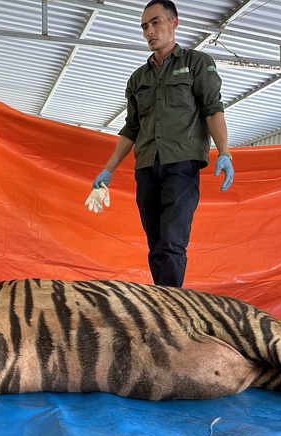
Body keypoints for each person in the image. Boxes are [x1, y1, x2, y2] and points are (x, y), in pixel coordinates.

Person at [89, 0, 234, 288]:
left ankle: (168, 310)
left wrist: (224, 152)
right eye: (144, 26)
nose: (149, 31)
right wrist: (108, 171)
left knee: (172, 241)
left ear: (174, 23)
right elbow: (131, 128)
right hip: (145, 167)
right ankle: (164, 303)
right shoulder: (137, 78)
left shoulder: (196, 63)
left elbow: (212, 109)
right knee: (155, 244)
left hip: (181, 164)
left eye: (155, 22)